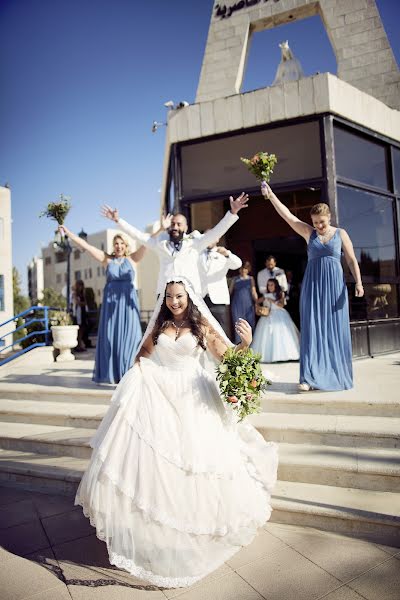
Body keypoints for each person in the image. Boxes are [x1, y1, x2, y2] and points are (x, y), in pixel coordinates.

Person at [75, 277, 278, 589]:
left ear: (189, 296)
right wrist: (144, 374)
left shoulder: (202, 326)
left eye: (179, 296)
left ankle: (198, 528)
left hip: (195, 397)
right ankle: (160, 533)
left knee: (197, 463)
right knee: (162, 466)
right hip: (160, 395)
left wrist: (245, 344)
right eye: (169, 297)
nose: (174, 302)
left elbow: (227, 357)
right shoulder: (159, 326)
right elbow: (141, 356)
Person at [261, 181, 364, 391]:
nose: (319, 226)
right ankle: (308, 377)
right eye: (316, 222)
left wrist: (359, 282)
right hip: (313, 288)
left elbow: (352, 260)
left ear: (329, 218)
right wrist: (271, 195)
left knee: (335, 330)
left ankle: (336, 374)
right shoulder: (309, 233)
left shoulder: (341, 234)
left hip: (335, 288)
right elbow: (288, 216)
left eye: (322, 222)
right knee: (313, 329)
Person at [101, 192, 249, 297]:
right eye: (173, 224)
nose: (175, 227)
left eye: (179, 224)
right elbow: (138, 236)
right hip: (164, 295)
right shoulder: (160, 243)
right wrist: (118, 221)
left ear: (185, 227)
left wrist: (232, 212)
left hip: (190, 295)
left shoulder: (195, 242)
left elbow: (216, 232)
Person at [58, 225, 146, 384]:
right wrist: (68, 233)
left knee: (132, 339)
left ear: (126, 245)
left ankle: (130, 375)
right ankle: (113, 375)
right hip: (111, 307)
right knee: (110, 340)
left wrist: (161, 228)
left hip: (128, 307)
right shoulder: (107, 260)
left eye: (121, 243)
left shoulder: (132, 259)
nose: (118, 246)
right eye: (116, 243)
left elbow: (148, 242)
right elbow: (86, 246)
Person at [200, 237, 242, 336]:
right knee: (201, 328)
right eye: (207, 236)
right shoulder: (198, 253)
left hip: (217, 298)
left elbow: (238, 264)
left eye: (212, 236)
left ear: (217, 238)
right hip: (201, 298)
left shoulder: (223, 254)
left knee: (221, 329)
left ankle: (223, 351)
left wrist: (227, 254)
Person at [251, 278, 300, 363]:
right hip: (268, 315)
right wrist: (260, 306)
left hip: (279, 314)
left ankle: (287, 355)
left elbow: (281, 305)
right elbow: (257, 301)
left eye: (272, 285)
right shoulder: (265, 295)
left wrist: (272, 301)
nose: (270, 287)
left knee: (282, 334)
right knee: (266, 335)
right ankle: (268, 356)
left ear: (276, 285)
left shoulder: (280, 294)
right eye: (268, 285)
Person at [230, 261, 258, 343]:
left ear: (248, 269)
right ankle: (239, 346)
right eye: (242, 268)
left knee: (249, 323)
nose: (243, 270)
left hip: (248, 303)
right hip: (237, 304)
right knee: (238, 324)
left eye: (245, 268)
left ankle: (250, 344)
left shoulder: (251, 279)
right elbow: (230, 291)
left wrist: (257, 302)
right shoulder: (235, 279)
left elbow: (253, 291)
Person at [71, 279, 90, 351]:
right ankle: (78, 345)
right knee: (78, 329)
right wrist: (81, 303)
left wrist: (82, 303)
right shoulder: (74, 293)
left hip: (83, 312)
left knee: (82, 329)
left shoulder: (82, 294)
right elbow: (78, 302)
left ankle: (80, 344)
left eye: (81, 285)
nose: (80, 287)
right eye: (79, 285)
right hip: (78, 313)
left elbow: (84, 303)